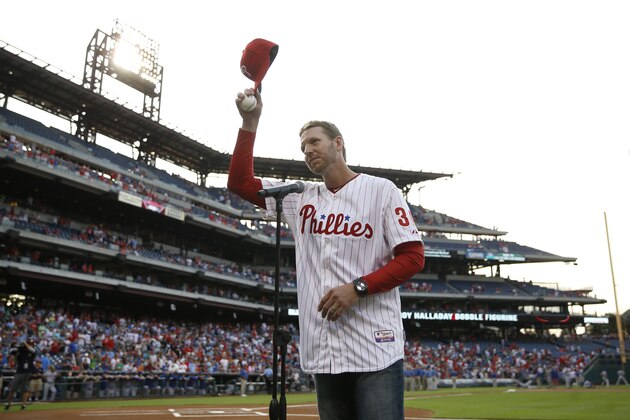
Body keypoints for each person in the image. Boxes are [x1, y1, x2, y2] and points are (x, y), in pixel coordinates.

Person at [228, 88, 425, 420]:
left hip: (374, 347)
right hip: (325, 350)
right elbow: (240, 181)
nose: (307, 150)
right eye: (303, 146)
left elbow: (412, 257)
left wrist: (357, 288)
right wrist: (250, 121)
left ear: (338, 143)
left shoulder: (381, 190)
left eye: (314, 141)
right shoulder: (299, 197)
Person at [4, 338, 37, 410]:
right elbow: (13, 354)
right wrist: (18, 351)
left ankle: (23, 404)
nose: (31, 344)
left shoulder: (32, 351)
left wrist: (25, 343)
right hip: (19, 372)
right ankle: (8, 403)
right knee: (12, 388)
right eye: (30, 343)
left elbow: (32, 350)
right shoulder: (21, 350)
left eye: (31, 343)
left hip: (27, 372)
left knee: (25, 389)